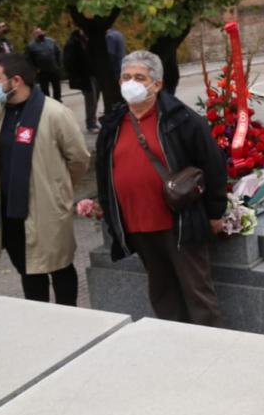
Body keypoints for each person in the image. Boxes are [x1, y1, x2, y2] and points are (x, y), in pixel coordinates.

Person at [95, 51, 228, 326]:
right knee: (162, 291)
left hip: (179, 223)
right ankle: (173, 343)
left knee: (197, 291)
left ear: (156, 84)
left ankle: (209, 347)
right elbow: (103, 173)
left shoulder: (180, 119)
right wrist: (110, 216)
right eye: (126, 77)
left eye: (139, 77)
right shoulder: (113, 123)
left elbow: (212, 164)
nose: (131, 83)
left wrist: (215, 212)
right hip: (137, 224)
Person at [0, 53, 90, 305]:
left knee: (59, 266)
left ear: (16, 80)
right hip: (10, 211)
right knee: (28, 271)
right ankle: (40, 320)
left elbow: (79, 159)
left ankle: (70, 317)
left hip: (46, 209)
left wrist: (57, 189)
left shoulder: (54, 113)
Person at [63, 29, 99, 132]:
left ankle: (92, 121)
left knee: (94, 99)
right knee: (91, 99)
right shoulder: (74, 42)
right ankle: (91, 123)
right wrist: (76, 75)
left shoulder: (86, 39)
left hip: (92, 74)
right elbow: (69, 61)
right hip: (85, 76)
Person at [25, 26, 64, 101]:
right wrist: (35, 69)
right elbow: (28, 60)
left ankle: (58, 99)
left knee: (57, 87)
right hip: (42, 71)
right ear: (34, 34)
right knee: (44, 89)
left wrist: (59, 65)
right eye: (37, 33)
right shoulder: (31, 46)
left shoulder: (51, 41)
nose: (39, 34)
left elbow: (58, 52)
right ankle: (48, 102)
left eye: (40, 32)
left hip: (54, 69)